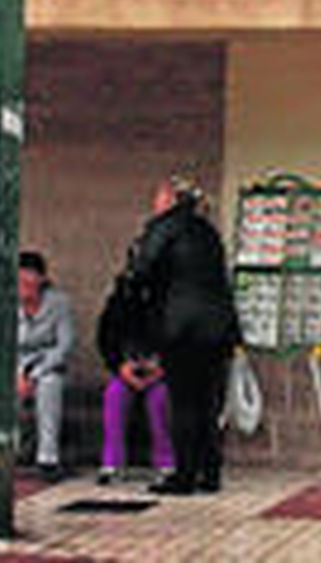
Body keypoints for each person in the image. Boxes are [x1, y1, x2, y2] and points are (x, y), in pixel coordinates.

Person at [127, 176, 240, 495]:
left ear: (172, 199)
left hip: (182, 327)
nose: (155, 201)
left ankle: (184, 475)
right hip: (218, 327)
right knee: (208, 400)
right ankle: (211, 471)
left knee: (184, 401)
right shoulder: (208, 230)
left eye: (159, 195)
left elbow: (142, 269)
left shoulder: (164, 227)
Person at [95, 265, 175, 484]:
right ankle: (113, 462)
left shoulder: (174, 297)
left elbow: (182, 341)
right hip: (128, 368)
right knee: (114, 396)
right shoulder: (121, 297)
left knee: (159, 401)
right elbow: (106, 338)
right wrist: (120, 367)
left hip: (162, 371)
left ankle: (166, 462)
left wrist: (161, 369)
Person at [16, 250, 76, 482]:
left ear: (41, 278)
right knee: (5, 391)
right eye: (20, 279)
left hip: (48, 364)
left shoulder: (59, 303)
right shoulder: (6, 303)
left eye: (30, 278)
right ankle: (10, 450)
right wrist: (20, 375)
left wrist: (36, 374)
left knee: (49, 387)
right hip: (17, 365)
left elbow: (65, 344)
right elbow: (2, 344)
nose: (25, 285)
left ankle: (47, 458)